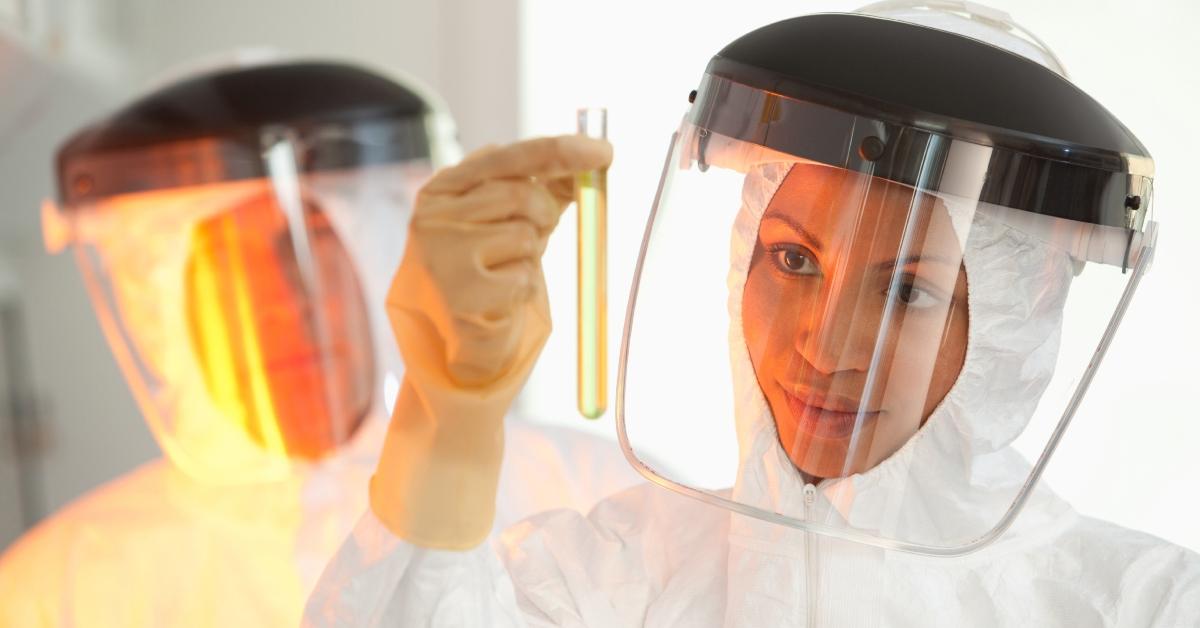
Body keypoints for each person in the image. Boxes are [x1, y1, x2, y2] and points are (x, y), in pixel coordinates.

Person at [304, 7, 1200, 627]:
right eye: (795, 259)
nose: (824, 343)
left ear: (1022, 314)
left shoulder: (1141, 606)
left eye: (908, 291)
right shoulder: (611, 577)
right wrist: (445, 424)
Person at [0, 60, 640, 627]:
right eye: (226, 260)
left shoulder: (602, 507)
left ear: (383, 246)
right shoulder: (56, 590)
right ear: (162, 306)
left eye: (309, 237)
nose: (285, 300)